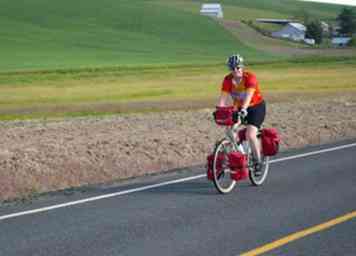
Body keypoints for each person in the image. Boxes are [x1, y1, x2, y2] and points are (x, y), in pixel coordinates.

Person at [216, 54, 266, 172]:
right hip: (239, 107)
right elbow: (223, 99)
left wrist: (243, 109)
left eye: (237, 67)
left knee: (250, 134)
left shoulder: (250, 78)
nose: (235, 70)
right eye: (232, 68)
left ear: (242, 67)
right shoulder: (228, 80)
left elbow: (248, 97)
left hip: (256, 107)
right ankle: (240, 153)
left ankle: (257, 161)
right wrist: (219, 110)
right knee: (230, 130)